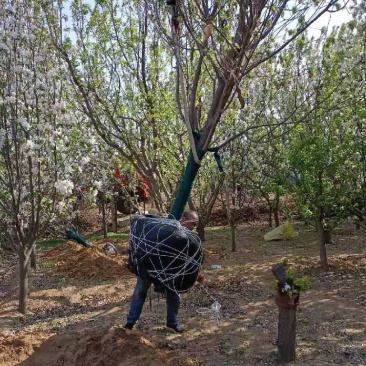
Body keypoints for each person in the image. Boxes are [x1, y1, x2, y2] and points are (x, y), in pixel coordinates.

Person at [124, 210, 199, 333]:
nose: (194, 227)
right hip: (149, 267)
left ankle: (172, 323)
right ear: (184, 219)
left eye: (196, 225)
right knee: (140, 292)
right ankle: (130, 323)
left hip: (170, 272)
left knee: (174, 295)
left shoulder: (189, 239)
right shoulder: (169, 230)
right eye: (193, 224)